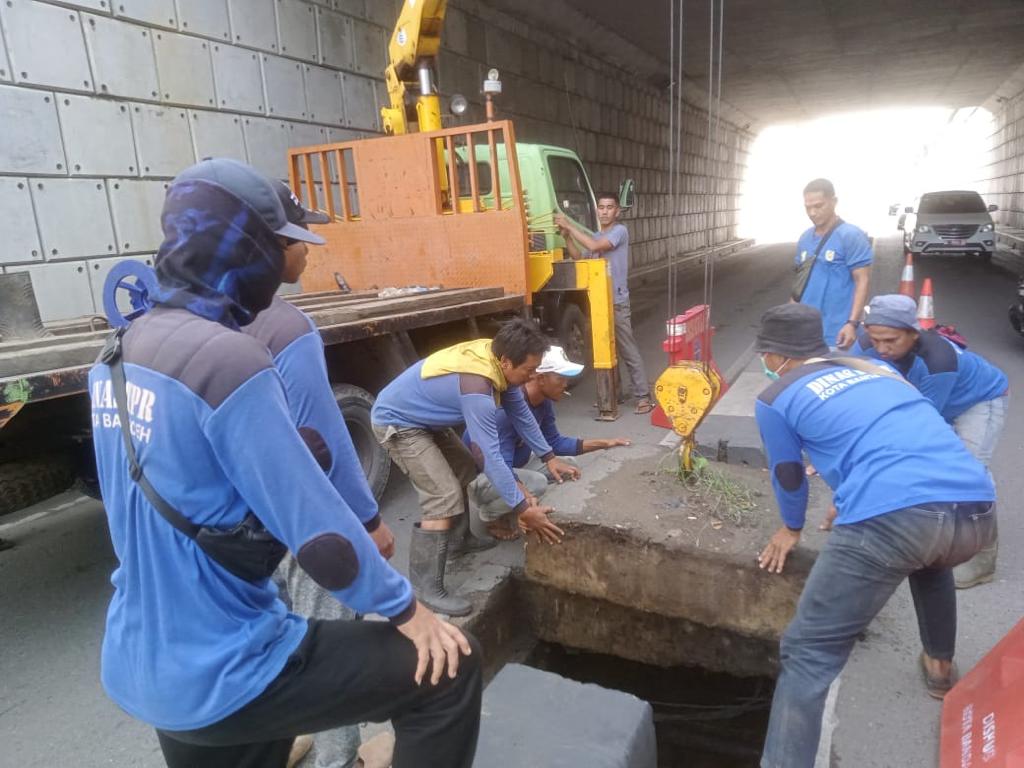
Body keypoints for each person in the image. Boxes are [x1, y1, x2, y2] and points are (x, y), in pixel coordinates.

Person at [89, 158, 480, 768]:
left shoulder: (115, 354)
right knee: (452, 670)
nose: (286, 264)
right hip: (227, 664)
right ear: (245, 250)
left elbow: (156, 498)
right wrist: (409, 611)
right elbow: (323, 541)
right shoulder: (228, 361)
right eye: (278, 246)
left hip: (142, 658)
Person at [753, 303, 995, 768]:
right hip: (977, 508)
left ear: (772, 354)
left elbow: (788, 474)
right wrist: (853, 491)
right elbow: (895, 433)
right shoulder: (876, 366)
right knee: (930, 559)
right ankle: (939, 669)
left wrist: (791, 527)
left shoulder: (777, 394)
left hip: (895, 517)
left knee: (808, 652)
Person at [243, 181, 395, 768]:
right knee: (328, 646)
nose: (308, 251)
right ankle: (340, 760)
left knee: (277, 637)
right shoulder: (287, 329)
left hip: (242, 529)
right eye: (298, 239)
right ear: (272, 246)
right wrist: (370, 521)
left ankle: (285, 737)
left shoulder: (192, 323)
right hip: (301, 520)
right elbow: (327, 438)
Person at [371, 319, 578, 616]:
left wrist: (549, 456)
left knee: (465, 470)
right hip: (399, 423)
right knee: (442, 496)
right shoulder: (477, 385)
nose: (533, 376)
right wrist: (523, 508)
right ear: (506, 361)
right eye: (529, 370)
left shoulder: (500, 367)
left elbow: (522, 416)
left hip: (426, 420)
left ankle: (460, 541)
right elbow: (490, 455)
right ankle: (426, 589)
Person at [851, 293, 1008, 588]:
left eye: (891, 341)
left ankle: (982, 561)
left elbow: (921, 424)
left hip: (979, 400)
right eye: (876, 339)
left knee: (968, 476)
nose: (881, 348)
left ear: (913, 333)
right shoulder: (867, 342)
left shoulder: (938, 360)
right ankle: (935, 538)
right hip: (933, 398)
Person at [465, 345, 631, 539]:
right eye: (560, 378)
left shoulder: (543, 402)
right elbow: (500, 467)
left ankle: (517, 502)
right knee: (537, 483)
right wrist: (523, 506)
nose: (565, 384)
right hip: (484, 474)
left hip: (514, 464)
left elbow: (554, 443)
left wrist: (605, 443)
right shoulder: (505, 411)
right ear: (540, 378)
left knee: (568, 465)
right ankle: (491, 516)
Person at [555, 194, 653, 414]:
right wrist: (568, 238)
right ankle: (614, 394)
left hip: (617, 301)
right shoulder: (595, 236)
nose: (605, 211)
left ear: (617, 211)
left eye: (610, 207)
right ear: (597, 211)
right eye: (601, 207)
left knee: (627, 349)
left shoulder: (619, 232)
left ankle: (643, 396)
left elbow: (596, 244)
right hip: (599, 302)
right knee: (606, 350)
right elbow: (581, 259)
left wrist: (570, 225)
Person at [794, 178, 873, 349]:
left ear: (834, 202)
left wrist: (852, 323)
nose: (813, 213)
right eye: (808, 207)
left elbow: (862, 281)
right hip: (806, 332)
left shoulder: (851, 235)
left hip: (838, 332)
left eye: (818, 206)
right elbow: (799, 285)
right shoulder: (805, 238)